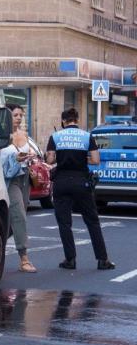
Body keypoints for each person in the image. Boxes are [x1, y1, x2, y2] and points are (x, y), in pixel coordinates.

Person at [45, 108, 115, 270]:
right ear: (77, 120)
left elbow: (50, 160)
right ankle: (102, 260)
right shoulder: (86, 136)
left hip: (62, 182)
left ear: (63, 121)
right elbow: (96, 160)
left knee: (64, 223)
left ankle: (70, 260)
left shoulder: (55, 136)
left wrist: (59, 157)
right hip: (81, 182)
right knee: (92, 221)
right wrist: (83, 159)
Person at [0, 103, 37, 273]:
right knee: (19, 215)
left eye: (21, 115)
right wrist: (15, 159)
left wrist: (29, 159)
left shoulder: (24, 134)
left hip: (24, 178)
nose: (19, 118)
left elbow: (31, 154)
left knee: (15, 218)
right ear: (7, 117)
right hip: (9, 179)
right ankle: (24, 259)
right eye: (15, 115)